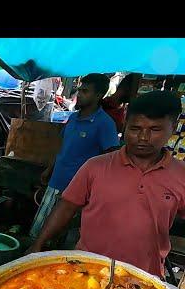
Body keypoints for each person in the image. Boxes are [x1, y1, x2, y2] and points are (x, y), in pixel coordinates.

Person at [29, 91, 185, 278]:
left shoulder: (181, 174)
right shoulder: (95, 166)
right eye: (135, 128)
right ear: (125, 123)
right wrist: (38, 244)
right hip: (87, 269)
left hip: (143, 276)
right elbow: (66, 206)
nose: (143, 137)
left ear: (173, 127)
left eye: (155, 130)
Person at [29, 73, 119, 239]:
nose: (79, 94)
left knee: (64, 236)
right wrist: (49, 169)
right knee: (40, 231)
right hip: (56, 182)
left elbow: (112, 159)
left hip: (79, 192)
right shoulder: (73, 118)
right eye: (80, 90)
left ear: (98, 95)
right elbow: (63, 147)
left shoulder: (105, 124)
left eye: (85, 91)